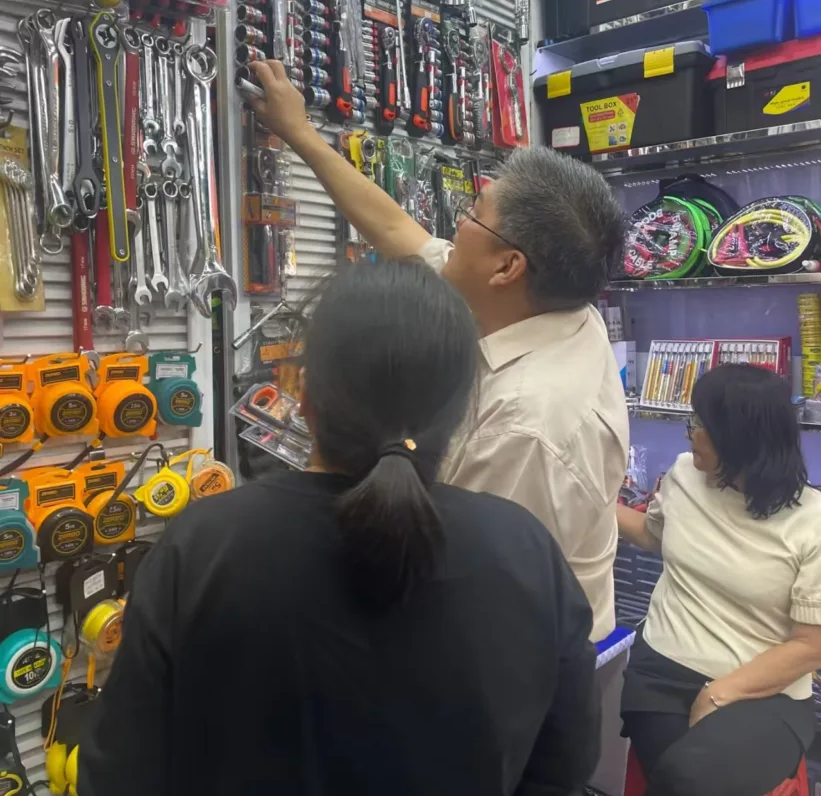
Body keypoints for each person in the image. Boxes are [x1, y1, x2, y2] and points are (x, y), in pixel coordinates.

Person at [79, 260, 600, 796]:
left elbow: (120, 772)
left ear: (304, 399)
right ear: (460, 412)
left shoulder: (204, 547)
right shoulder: (525, 552)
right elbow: (561, 770)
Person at [248, 59, 628, 643]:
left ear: (507, 267)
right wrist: (301, 134)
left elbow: (465, 578)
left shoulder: (529, 426)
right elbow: (400, 233)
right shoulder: (550, 304)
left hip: (507, 650)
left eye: (475, 215)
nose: (458, 222)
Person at [617, 363, 821, 796]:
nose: (689, 433)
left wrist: (720, 693)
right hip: (662, 670)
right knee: (682, 777)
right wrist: (579, 497)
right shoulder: (684, 476)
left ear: (741, 437)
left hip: (767, 691)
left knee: (693, 778)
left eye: (700, 425)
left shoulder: (812, 523)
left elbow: (812, 646)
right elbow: (651, 534)